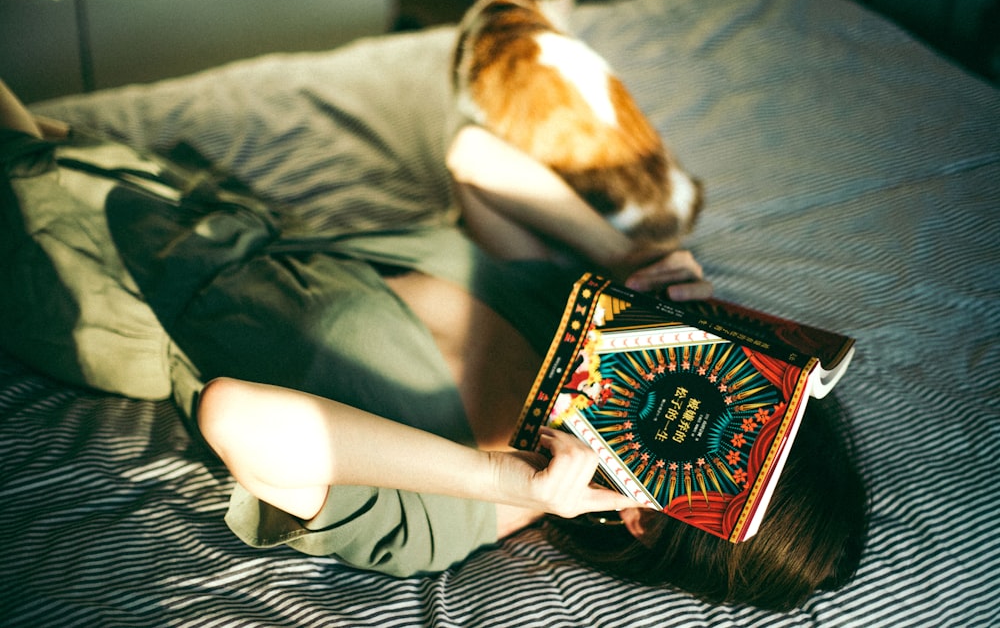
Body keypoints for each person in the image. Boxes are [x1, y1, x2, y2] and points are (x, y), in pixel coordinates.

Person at [0, 79, 866, 611]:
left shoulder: (439, 516)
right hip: (175, 196)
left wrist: (500, 478)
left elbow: (238, 413)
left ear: (643, 515)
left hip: (92, 278)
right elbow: (473, 158)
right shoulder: (576, 333)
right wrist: (630, 257)